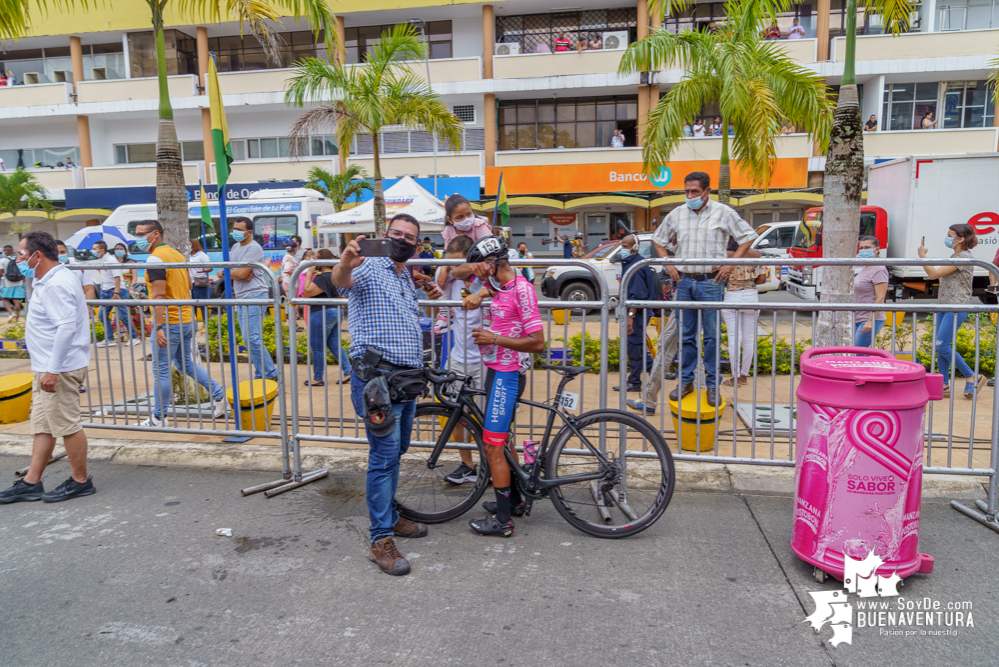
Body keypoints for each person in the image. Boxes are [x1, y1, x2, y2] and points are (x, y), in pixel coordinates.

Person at [331, 213, 436, 576]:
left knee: (399, 449)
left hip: (405, 379)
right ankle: (381, 539)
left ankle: (390, 515)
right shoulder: (370, 265)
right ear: (384, 235)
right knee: (384, 455)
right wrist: (344, 264)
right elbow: (341, 281)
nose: (403, 239)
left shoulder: (406, 275)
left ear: (417, 244)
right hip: (376, 378)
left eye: (410, 235)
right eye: (396, 233)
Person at [453, 235, 545, 537]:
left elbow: (538, 343)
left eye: (479, 267)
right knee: (503, 441)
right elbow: (476, 282)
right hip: (495, 370)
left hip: (508, 374)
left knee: (492, 447)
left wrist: (494, 338)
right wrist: (478, 294)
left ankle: (504, 521)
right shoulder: (497, 284)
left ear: (492, 264)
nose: (474, 271)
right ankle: (515, 502)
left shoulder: (523, 290)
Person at [0, 232, 95, 504]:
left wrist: (53, 370)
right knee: (43, 425)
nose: (17, 259)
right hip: (46, 368)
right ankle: (31, 481)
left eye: (21, 253)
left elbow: (66, 328)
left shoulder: (57, 283)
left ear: (37, 255)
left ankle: (80, 481)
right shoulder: (46, 279)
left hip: (59, 369)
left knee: (66, 425)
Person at [652, 171, 757, 407]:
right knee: (687, 336)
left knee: (711, 337)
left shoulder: (724, 212)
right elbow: (658, 240)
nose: (689, 196)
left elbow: (748, 237)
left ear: (707, 191)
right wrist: (668, 264)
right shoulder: (677, 214)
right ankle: (686, 381)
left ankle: (712, 385)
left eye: (695, 192)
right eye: (687, 191)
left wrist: (731, 264)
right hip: (685, 281)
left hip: (712, 281)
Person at [134, 220, 228, 427]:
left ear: (155, 234)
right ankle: (219, 396)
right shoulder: (176, 255)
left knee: (162, 370)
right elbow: (189, 284)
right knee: (185, 364)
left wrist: (158, 327)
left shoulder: (155, 259)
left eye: (141, 234)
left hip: (169, 322)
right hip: (187, 319)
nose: (138, 239)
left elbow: (158, 296)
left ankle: (159, 417)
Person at [918, 224, 987, 399]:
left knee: (941, 345)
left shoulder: (963, 257)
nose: (947, 238)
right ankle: (944, 385)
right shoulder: (954, 255)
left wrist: (922, 256)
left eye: (950, 235)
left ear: (961, 238)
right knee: (940, 345)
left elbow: (934, 274)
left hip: (957, 306)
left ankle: (972, 375)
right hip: (945, 304)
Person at [437, 235, 484, 485]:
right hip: (458, 358)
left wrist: (454, 269)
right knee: (455, 413)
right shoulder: (450, 280)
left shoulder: (482, 280)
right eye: (450, 263)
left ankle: (492, 466)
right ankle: (467, 466)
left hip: (486, 361)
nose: (454, 268)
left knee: (490, 421)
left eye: (459, 263)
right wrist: (445, 268)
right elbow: (438, 292)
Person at [217, 217, 278, 382]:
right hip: (242, 297)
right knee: (247, 339)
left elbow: (241, 273)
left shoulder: (254, 248)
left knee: (252, 338)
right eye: (234, 228)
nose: (235, 231)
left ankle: (270, 373)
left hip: (255, 295)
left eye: (239, 229)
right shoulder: (236, 247)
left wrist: (233, 272)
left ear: (249, 232)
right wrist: (231, 272)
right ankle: (262, 373)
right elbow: (223, 271)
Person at [721, 237, 766, 387]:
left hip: (732, 294)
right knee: (748, 339)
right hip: (751, 295)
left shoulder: (726, 256)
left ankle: (734, 377)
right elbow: (762, 279)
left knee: (734, 338)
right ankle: (744, 376)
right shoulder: (755, 256)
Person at [304, 248, 352, 387]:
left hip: (321, 313)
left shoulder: (322, 278)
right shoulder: (335, 275)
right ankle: (348, 371)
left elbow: (307, 291)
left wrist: (309, 273)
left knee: (317, 347)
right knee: (335, 344)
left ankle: (318, 378)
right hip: (335, 312)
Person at [615, 235, 656, 393]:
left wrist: (630, 316)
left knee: (634, 345)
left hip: (636, 313)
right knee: (636, 345)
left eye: (625, 246)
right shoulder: (631, 262)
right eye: (622, 245)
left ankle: (634, 382)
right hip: (635, 312)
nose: (622, 248)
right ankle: (653, 373)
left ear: (634, 248)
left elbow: (638, 295)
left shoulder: (636, 267)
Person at [95, 240, 138, 347]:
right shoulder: (102, 260)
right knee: (102, 315)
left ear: (102, 250)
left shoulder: (110, 260)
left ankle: (134, 337)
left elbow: (117, 278)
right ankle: (109, 339)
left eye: (94, 249)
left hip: (117, 290)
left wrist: (116, 293)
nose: (92, 251)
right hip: (106, 290)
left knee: (123, 315)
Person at [853, 236, 888, 348]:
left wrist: (870, 321)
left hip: (869, 319)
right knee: (853, 353)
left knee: (858, 353)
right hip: (858, 318)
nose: (863, 250)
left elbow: (880, 298)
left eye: (867, 247)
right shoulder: (864, 269)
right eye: (861, 248)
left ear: (877, 249)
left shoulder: (879, 269)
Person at [189, 238, 211, 328]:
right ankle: (194, 325)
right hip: (189, 283)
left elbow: (210, 267)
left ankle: (207, 325)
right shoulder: (187, 255)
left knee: (202, 304)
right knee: (191, 305)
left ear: (194, 245)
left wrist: (203, 271)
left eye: (189, 244)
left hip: (199, 282)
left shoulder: (202, 255)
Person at [0, 244, 24, 322]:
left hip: (7, 284)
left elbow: (0, 273)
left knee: (4, 299)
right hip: (19, 283)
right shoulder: (18, 259)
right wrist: (22, 281)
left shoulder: (2, 260)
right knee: (16, 301)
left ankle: (11, 313)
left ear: (5, 251)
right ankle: (17, 319)